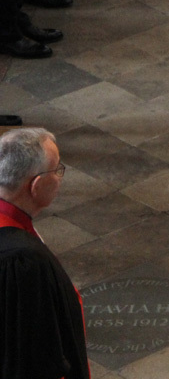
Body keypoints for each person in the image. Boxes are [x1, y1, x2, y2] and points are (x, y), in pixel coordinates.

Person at [0, 127, 88, 379]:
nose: (60, 177)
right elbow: (36, 356)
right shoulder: (22, 260)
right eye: (57, 169)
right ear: (36, 185)